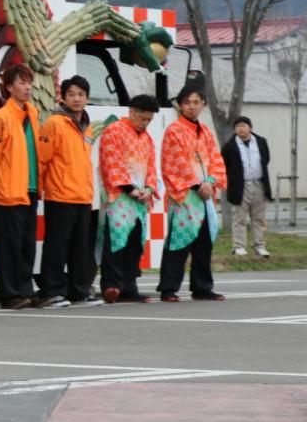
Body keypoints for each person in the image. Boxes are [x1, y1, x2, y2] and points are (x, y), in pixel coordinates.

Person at [158, 85, 228, 302]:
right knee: (179, 242)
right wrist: (198, 185)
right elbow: (175, 162)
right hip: (185, 195)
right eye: (187, 102)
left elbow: (216, 159)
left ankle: (202, 287)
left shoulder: (205, 131)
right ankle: (169, 288)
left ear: (203, 105)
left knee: (204, 241)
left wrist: (209, 181)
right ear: (180, 104)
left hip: (205, 195)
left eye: (196, 102)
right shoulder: (174, 130)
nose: (192, 106)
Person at [0, 64, 41, 309]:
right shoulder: (1, 118)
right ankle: (10, 293)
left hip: (30, 188)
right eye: (21, 83)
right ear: (8, 87)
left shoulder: (32, 112)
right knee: (9, 246)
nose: (27, 87)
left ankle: (26, 289)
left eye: (29, 82)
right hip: (8, 190)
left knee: (27, 244)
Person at [36, 75, 98, 307]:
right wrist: (40, 189)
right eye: (71, 94)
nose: (76, 99)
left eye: (81, 94)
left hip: (82, 196)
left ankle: (79, 291)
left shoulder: (86, 124)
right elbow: (42, 160)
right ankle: (50, 291)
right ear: (62, 96)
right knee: (57, 247)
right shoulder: (54, 123)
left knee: (80, 249)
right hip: (59, 195)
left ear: (87, 98)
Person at [98, 94, 160, 304]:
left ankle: (129, 286)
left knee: (135, 242)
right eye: (142, 118)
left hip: (140, 198)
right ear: (131, 111)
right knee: (116, 241)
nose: (145, 123)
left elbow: (152, 167)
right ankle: (112, 285)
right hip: (119, 196)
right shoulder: (113, 131)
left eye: (149, 120)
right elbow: (110, 162)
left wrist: (150, 188)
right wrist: (129, 188)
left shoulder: (147, 139)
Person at [221, 116, 271, 258]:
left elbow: (266, 159)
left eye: (243, 125)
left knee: (258, 217)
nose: (240, 128)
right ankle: (239, 246)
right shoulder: (229, 146)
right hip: (240, 186)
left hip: (259, 184)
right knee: (239, 218)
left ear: (250, 127)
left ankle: (259, 245)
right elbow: (225, 164)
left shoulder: (261, 142)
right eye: (237, 126)